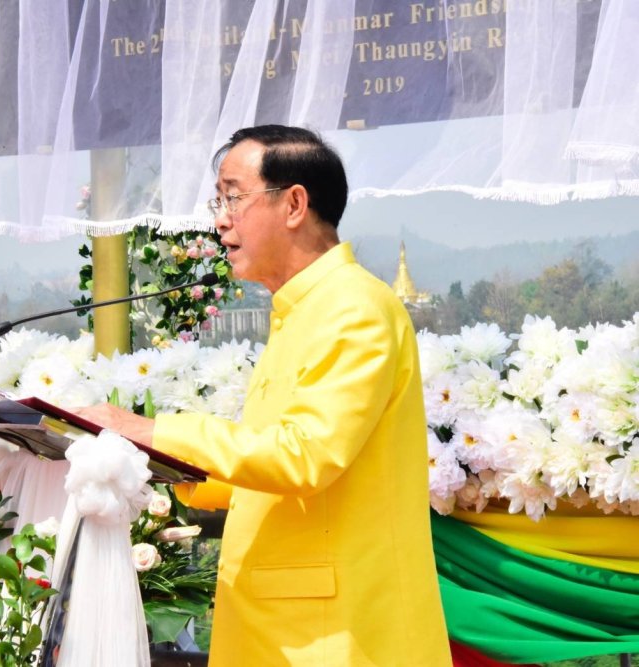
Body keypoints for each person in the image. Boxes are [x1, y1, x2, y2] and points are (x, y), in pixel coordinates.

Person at [78, 125, 452, 666]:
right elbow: (275, 467)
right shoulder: (302, 310)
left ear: (294, 204)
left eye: (233, 197)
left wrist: (155, 431)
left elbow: (303, 457)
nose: (220, 219)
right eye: (219, 201)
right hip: (283, 629)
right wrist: (165, 467)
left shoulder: (354, 308)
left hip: (334, 636)